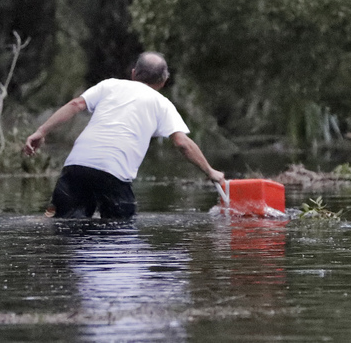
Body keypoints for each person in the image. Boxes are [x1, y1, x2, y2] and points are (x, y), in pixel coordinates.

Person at [23, 51, 225, 219]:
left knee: (63, 228)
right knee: (121, 235)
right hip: (114, 173)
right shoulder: (162, 103)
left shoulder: (109, 85)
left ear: (134, 73)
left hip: (76, 166)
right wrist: (210, 171)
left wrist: (41, 131)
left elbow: (76, 104)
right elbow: (182, 143)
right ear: (163, 81)